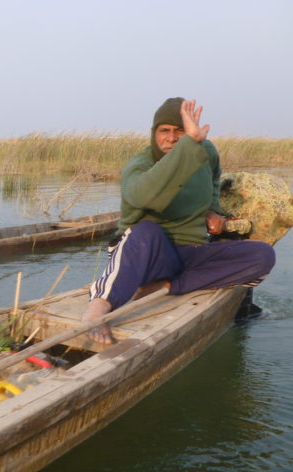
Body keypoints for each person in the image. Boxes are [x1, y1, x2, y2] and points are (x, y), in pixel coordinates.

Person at [82, 97, 276, 344]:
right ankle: (98, 305)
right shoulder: (140, 165)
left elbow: (213, 181)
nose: (171, 138)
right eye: (164, 131)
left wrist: (211, 210)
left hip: (189, 254)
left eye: (179, 131)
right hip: (147, 255)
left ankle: (164, 287)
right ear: (154, 134)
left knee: (261, 255)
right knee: (145, 230)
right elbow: (145, 197)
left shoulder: (205, 153)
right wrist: (188, 144)